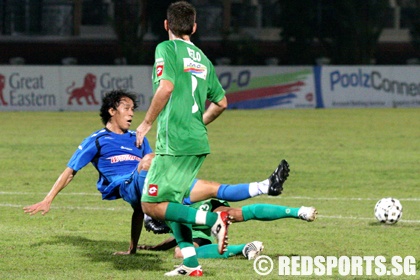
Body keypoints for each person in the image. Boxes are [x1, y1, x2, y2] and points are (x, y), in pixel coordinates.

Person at [23, 89, 291, 257]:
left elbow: (138, 209)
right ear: (111, 111)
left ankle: (263, 186)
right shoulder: (97, 140)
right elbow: (70, 171)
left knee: (208, 186)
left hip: (147, 185)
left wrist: (132, 248)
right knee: (150, 162)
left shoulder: (137, 138)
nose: (131, 114)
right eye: (126, 108)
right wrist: (48, 199)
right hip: (127, 182)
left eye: (132, 109)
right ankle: (207, 220)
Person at [134, 1, 229, 276]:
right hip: (197, 141)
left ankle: (212, 220)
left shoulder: (166, 48)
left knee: (150, 205)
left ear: (166, 25)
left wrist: (146, 123)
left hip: (173, 141)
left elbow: (165, 87)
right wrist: (198, 123)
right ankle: (191, 264)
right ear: (194, 27)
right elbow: (221, 102)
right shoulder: (203, 58)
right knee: (174, 204)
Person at [139, 199, 317, 260]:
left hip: (198, 207)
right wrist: (155, 248)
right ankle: (245, 248)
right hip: (198, 224)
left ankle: (298, 212)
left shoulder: (166, 212)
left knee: (236, 214)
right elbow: (180, 238)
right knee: (181, 252)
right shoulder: (165, 211)